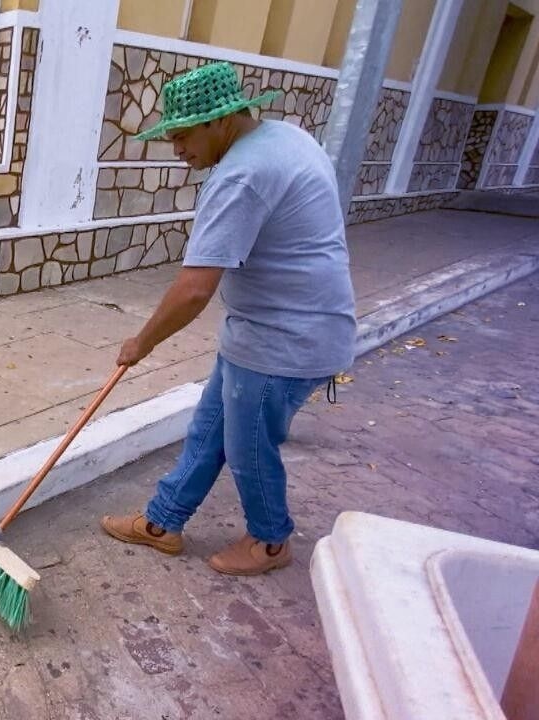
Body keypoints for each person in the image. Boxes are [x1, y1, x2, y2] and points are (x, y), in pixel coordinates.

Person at [100, 61, 356, 576]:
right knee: (210, 428)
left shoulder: (242, 175)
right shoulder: (284, 138)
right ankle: (163, 522)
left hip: (285, 339)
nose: (178, 151)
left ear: (220, 121)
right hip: (272, 328)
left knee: (247, 447)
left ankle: (270, 541)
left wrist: (141, 342)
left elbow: (195, 289)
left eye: (182, 137)